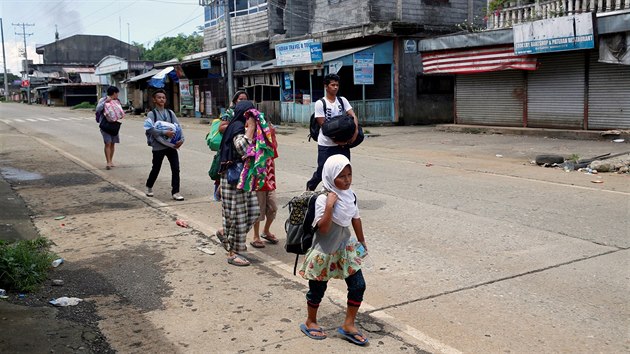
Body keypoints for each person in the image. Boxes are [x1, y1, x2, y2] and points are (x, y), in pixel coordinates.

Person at [299, 154, 368, 346]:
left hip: (345, 249)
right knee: (317, 290)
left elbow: (356, 218)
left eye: (349, 175)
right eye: (342, 176)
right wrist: (330, 206)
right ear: (330, 177)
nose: (347, 180)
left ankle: (348, 325)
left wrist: (362, 241)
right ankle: (311, 321)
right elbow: (324, 228)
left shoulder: (350, 195)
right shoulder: (322, 199)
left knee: (358, 285)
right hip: (324, 251)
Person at [216, 100, 261, 266]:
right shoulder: (237, 127)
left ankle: (227, 236)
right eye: (251, 113)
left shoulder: (239, 126)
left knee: (252, 212)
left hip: (242, 179)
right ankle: (232, 252)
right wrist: (250, 128)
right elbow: (242, 147)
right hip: (233, 179)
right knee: (235, 216)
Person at [306, 74, 360, 191]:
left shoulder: (342, 100)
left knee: (343, 170)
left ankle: (337, 194)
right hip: (326, 145)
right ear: (326, 86)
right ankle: (310, 188)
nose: (335, 87)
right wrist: (338, 141)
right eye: (332, 85)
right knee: (322, 171)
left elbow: (353, 115)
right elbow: (324, 127)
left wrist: (355, 133)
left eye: (337, 85)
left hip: (343, 144)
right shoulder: (321, 103)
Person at [245, 111, 279, 249]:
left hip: (269, 179)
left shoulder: (270, 140)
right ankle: (256, 236)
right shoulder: (253, 138)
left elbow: (273, 156)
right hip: (258, 179)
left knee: (273, 207)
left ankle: (266, 231)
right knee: (258, 210)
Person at [144, 89, 185, 201]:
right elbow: (150, 129)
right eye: (159, 97)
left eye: (163, 97)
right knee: (156, 168)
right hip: (158, 147)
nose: (161, 99)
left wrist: (181, 139)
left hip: (171, 146)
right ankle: (149, 186)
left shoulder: (170, 113)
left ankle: (176, 192)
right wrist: (164, 132)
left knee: (176, 169)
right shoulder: (152, 114)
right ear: (154, 100)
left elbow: (178, 126)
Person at [213, 90, 249, 201]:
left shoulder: (249, 112)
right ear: (235, 100)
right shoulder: (229, 113)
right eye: (240, 99)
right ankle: (219, 191)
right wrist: (236, 126)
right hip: (229, 145)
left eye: (245, 99)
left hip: (241, 145)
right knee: (227, 170)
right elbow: (221, 127)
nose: (242, 101)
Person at [95, 86, 124, 170]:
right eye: (117, 93)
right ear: (114, 93)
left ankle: (111, 161)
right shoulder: (103, 100)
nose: (118, 94)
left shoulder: (117, 101)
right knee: (107, 142)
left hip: (114, 124)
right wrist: (105, 102)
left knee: (113, 143)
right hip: (105, 124)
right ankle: (108, 162)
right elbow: (97, 109)